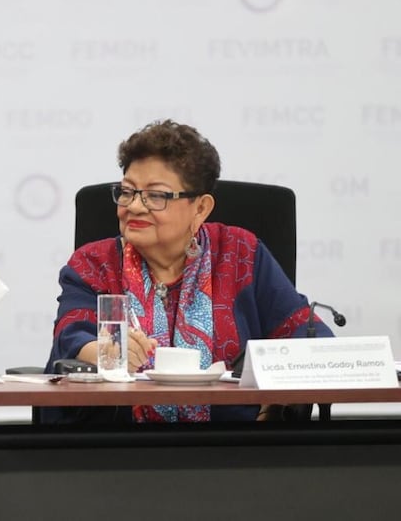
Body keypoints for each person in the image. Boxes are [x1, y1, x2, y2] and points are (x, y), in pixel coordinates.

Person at [43, 119, 333, 423]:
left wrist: (274, 398)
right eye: (127, 192)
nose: (135, 207)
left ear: (200, 208)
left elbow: (308, 338)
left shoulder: (240, 254)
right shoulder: (94, 263)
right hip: (116, 451)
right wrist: (108, 352)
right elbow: (71, 337)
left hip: (234, 451)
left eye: (156, 195)